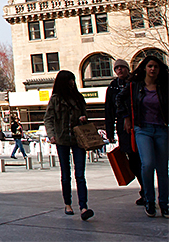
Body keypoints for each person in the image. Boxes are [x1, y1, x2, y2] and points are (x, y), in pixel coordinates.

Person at [118, 55, 169, 218]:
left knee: (162, 169)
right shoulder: (135, 86)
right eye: (150, 66)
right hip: (142, 129)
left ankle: (164, 203)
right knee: (147, 164)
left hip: (162, 129)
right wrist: (126, 117)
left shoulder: (164, 86)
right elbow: (119, 99)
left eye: (156, 66)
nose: (153, 69)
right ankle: (149, 200)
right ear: (145, 68)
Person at [44, 70, 94, 221]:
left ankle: (84, 206)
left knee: (80, 174)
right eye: (68, 80)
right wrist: (52, 134)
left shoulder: (78, 98)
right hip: (62, 139)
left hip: (78, 139)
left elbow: (85, 114)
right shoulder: (56, 99)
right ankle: (68, 204)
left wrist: (84, 118)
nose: (71, 83)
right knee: (66, 174)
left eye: (73, 80)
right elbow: (48, 118)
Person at [106, 59, 145, 205]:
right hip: (123, 128)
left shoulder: (135, 83)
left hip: (138, 124)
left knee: (144, 160)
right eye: (117, 69)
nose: (119, 70)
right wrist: (109, 131)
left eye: (122, 68)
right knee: (133, 161)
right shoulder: (113, 87)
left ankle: (147, 191)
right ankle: (144, 190)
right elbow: (109, 110)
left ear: (127, 69)